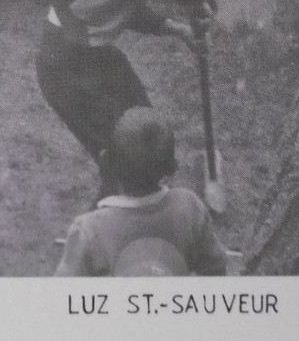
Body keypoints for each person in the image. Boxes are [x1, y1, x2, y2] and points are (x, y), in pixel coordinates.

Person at [36, 0, 213, 199]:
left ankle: (134, 196)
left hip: (93, 55)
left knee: (146, 127)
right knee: (119, 151)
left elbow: (122, 5)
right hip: (62, 67)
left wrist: (176, 28)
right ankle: (110, 216)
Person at [55, 107, 227, 276]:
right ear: (170, 166)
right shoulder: (190, 208)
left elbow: (65, 293)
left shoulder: (89, 230)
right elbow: (215, 270)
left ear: (107, 162)